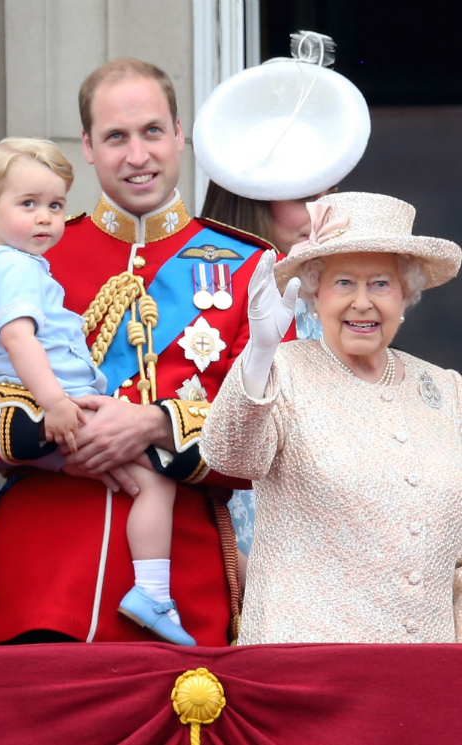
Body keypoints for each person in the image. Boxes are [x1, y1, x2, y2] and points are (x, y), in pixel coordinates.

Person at [0, 58, 283, 646]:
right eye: (116, 137)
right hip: (38, 581)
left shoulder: (247, 267)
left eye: (152, 132)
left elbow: (276, 435)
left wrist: (155, 425)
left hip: (181, 590)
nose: (137, 155)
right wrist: (50, 430)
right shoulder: (32, 254)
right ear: (88, 147)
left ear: (179, 134)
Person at [0, 137, 192, 645]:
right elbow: (4, 349)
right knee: (151, 480)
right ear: (89, 142)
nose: (44, 220)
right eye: (30, 206)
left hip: (10, 401)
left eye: (55, 206)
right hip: (62, 408)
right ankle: (152, 591)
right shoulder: (23, 265)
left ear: (177, 134)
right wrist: (56, 406)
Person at [201, 191, 462, 643]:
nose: (362, 302)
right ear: (315, 293)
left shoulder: (445, 388)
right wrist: (259, 353)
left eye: (380, 283)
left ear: (406, 295)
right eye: (344, 283)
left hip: (425, 670)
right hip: (307, 670)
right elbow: (229, 456)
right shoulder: (281, 370)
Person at [194, 31, 371, 579]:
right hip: (237, 531)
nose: (323, 212)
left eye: (329, 193)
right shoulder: (209, 281)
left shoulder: (347, 292)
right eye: (305, 197)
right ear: (252, 198)